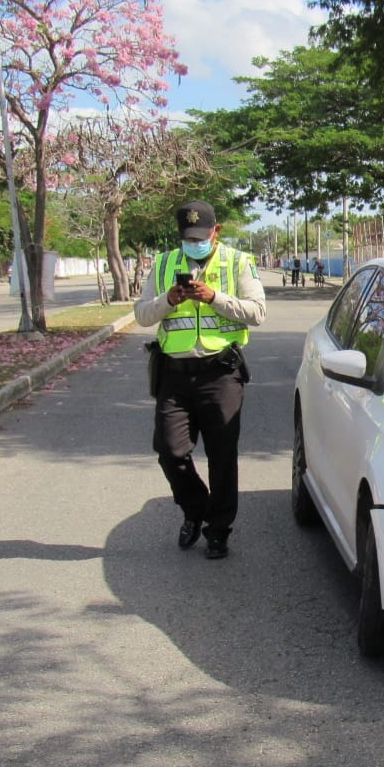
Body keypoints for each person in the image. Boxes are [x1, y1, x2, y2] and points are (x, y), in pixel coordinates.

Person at [133, 200, 266, 559]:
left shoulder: (238, 262)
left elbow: (257, 312)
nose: (193, 243)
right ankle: (196, 509)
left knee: (223, 457)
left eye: (200, 236)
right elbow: (142, 314)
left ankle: (218, 530)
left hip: (221, 374)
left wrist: (214, 297)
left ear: (215, 231)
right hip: (174, 376)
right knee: (169, 451)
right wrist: (168, 300)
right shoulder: (163, 264)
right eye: (187, 238)